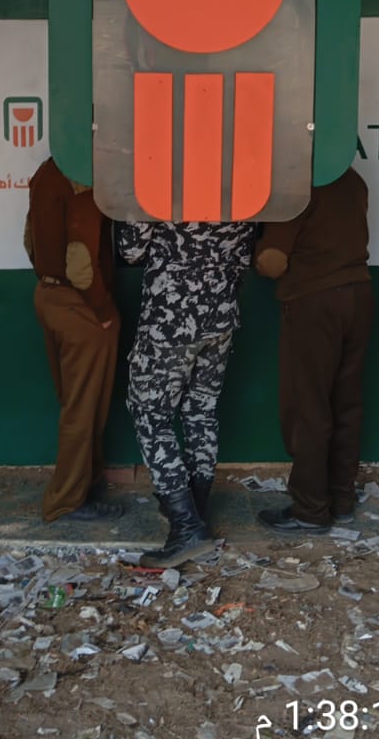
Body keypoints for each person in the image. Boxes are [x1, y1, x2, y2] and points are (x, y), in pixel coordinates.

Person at [119, 220, 255, 567]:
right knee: (201, 410)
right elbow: (243, 257)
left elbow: (130, 250)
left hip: (170, 320)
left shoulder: (162, 191)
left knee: (150, 415)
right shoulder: (237, 190)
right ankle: (197, 512)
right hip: (221, 315)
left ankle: (186, 526)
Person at [253, 169, 374, 533]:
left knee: (307, 406)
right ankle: (342, 499)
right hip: (359, 293)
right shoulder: (354, 180)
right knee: (346, 403)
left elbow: (272, 261)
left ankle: (309, 508)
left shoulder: (297, 185)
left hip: (313, 301)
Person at [26, 157, 123, 522]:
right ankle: (67, 501)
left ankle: (81, 487)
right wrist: (104, 312)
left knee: (73, 404)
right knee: (83, 411)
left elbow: (30, 239)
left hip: (48, 294)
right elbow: (81, 261)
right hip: (79, 306)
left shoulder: (46, 172)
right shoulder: (81, 177)